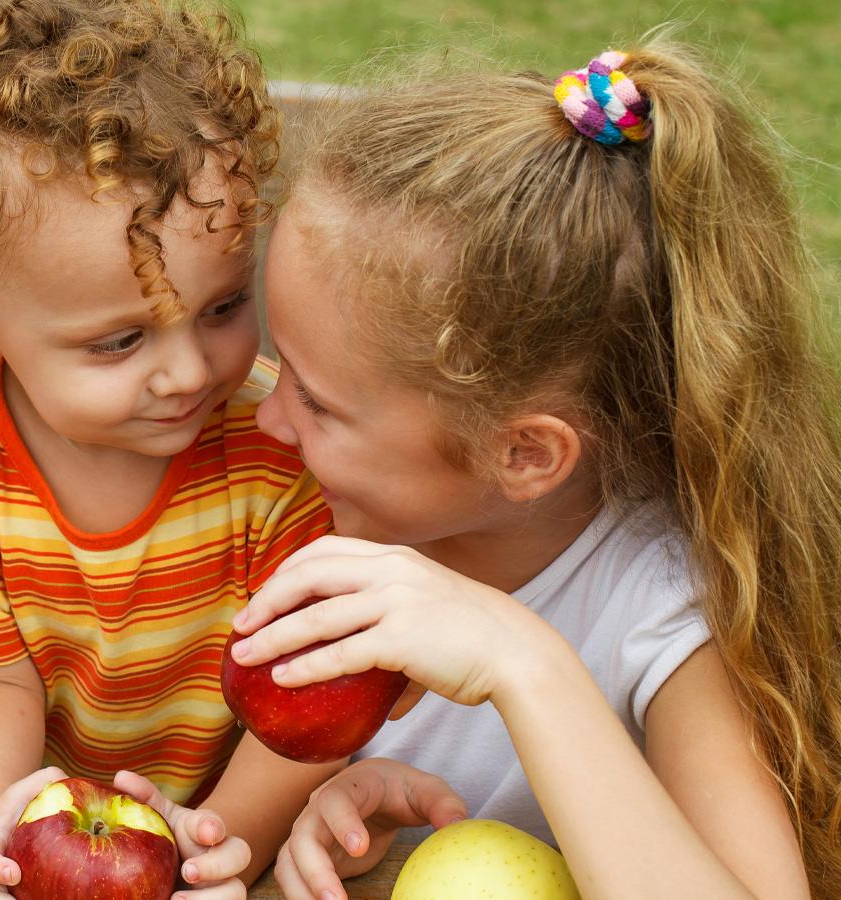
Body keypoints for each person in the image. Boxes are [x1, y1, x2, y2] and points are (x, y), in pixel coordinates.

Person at [228, 41, 840, 897]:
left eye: (318, 402)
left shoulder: (658, 609)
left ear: (523, 454)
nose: (268, 416)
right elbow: (222, 848)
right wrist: (331, 810)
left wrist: (524, 662)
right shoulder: (358, 526)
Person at [0, 1, 338, 895]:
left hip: (234, 818)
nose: (189, 371)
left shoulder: (279, 442)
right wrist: (0, 827)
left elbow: (305, 703)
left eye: (225, 308)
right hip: (58, 828)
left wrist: (209, 849)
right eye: (121, 342)